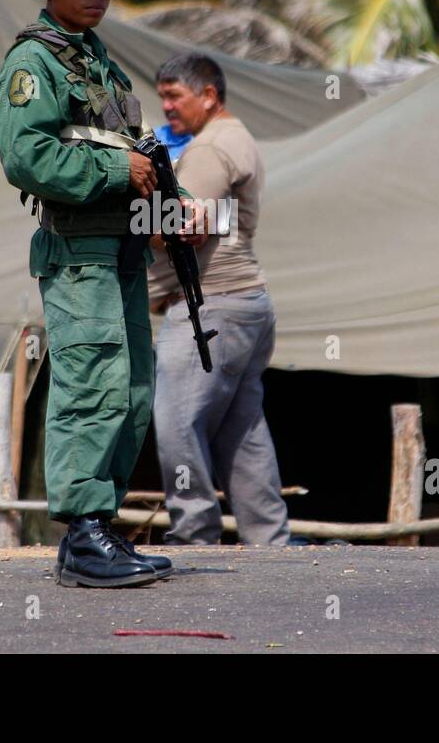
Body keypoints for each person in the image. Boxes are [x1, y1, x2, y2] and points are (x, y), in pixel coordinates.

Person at [0, 0, 204, 587]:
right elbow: (26, 155)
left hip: (123, 249)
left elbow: (136, 149)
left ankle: (100, 527)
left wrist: (177, 205)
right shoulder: (36, 63)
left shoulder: (98, 62)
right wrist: (121, 169)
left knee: (134, 390)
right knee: (93, 387)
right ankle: (82, 533)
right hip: (79, 252)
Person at [149, 52, 290, 546]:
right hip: (248, 304)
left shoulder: (208, 150)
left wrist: (136, 206)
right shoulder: (238, 138)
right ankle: (268, 542)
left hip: (209, 307)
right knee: (241, 432)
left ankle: (193, 535)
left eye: (174, 96)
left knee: (176, 424)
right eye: (162, 95)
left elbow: (175, 226)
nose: (166, 106)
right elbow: (213, 215)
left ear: (208, 96)